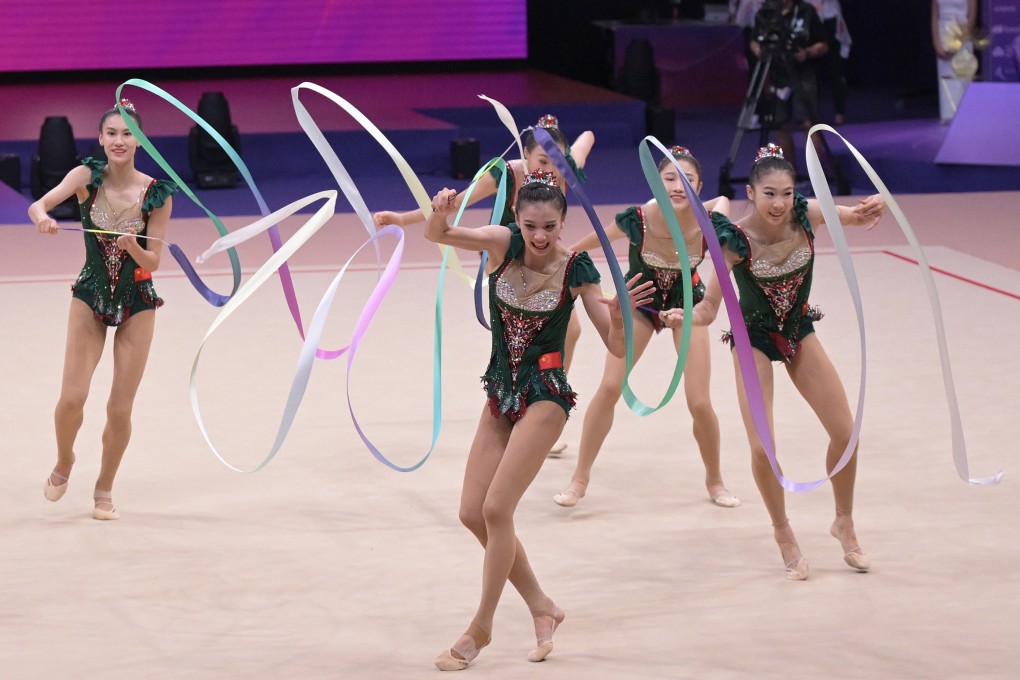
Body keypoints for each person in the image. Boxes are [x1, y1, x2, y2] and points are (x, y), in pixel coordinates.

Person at [424, 171, 653, 670]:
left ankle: (479, 629)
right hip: (501, 393)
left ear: (564, 220)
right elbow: (437, 236)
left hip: (547, 395)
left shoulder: (577, 267)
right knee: (470, 512)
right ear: (518, 222)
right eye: (531, 226)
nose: (541, 235)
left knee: (497, 510)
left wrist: (619, 318)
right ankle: (542, 606)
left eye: (550, 225)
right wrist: (441, 213)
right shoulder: (502, 243)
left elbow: (616, 347)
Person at [662, 144, 885, 580]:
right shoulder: (735, 241)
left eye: (786, 193)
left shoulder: (809, 213)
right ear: (751, 192)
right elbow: (709, 309)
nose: (779, 203)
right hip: (753, 340)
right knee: (763, 445)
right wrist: (683, 317)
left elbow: (858, 218)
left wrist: (872, 207)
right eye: (769, 194)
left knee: (846, 432)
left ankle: (843, 519)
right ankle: (783, 531)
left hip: (799, 329)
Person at [374, 114, 595, 456]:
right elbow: (456, 202)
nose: (551, 168)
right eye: (542, 160)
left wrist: (578, 141)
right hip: (506, 257)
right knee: (521, 340)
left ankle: (544, 399)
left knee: (571, 330)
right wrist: (403, 219)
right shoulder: (507, 172)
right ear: (525, 154)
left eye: (557, 160)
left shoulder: (563, 169)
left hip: (546, 263)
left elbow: (586, 140)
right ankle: (523, 405)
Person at [552, 146, 740, 509]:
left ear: (699, 187)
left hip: (687, 306)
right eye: (669, 178)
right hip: (640, 304)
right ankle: (579, 479)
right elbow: (591, 243)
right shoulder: (636, 219)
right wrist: (558, 258)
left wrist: (719, 205)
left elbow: (724, 202)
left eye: (687, 181)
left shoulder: (710, 223)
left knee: (699, 401)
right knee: (609, 386)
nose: (677, 187)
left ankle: (715, 481)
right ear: (655, 181)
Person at [29, 100, 177, 521]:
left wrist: (136, 248)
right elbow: (38, 205)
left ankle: (105, 485)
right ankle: (65, 460)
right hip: (91, 294)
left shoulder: (156, 194)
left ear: (140, 140)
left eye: (128, 133)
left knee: (119, 408)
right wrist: (43, 218)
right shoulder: (85, 177)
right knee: (72, 398)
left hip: (137, 301)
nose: (119, 140)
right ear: (100, 138)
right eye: (112, 132)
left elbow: (154, 262)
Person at [750, 0, 829, 174]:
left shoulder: (806, 11)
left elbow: (823, 44)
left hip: (802, 73)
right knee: (781, 125)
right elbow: (755, 41)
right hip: (777, 74)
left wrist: (807, 52)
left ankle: (818, 175)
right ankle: (791, 176)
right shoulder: (766, 13)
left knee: (809, 123)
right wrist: (760, 51)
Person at [931, 0, 978, 123]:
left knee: (962, 76)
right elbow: (935, 17)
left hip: (962, 33)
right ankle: (948, 115)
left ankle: (965, 115)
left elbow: (972, 17)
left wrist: (957, 43)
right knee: (947, 77)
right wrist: (937, 44)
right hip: (943, 34)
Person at [811, 0, 851, 125]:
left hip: (830, 20)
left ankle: (840, 112)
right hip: (810, 19)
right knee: (811, 72)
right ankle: (811, 113)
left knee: (836, 70)